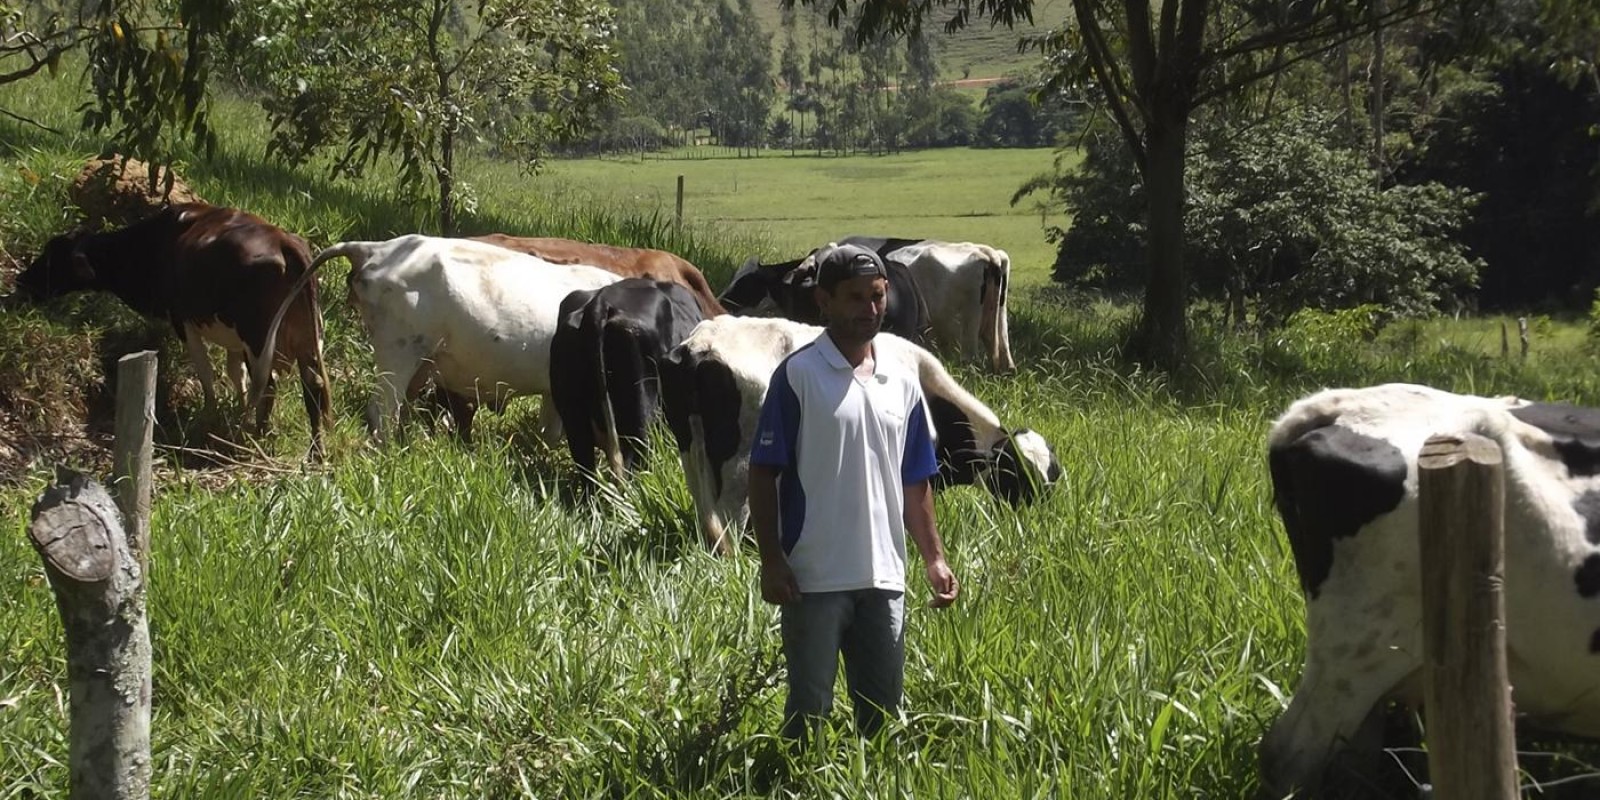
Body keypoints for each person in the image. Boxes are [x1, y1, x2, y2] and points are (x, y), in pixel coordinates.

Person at [747, 242, 960, 744]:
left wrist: (933, 558)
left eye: (878, 296)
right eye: (855, 297)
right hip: (813, 579)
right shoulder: (797, 377)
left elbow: (916, 479)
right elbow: (762, 473)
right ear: (823, 300)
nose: (870, 310)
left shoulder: (902, 381)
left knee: (884, 720)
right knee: (809, 714)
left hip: (885, 578)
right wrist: (771, 560)